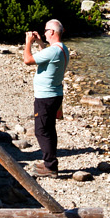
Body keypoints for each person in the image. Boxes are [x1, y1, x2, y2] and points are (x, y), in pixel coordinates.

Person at [19, 19, 68, 177]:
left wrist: (28, 43)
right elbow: (45, 56)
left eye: (46, 30)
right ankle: (50, 162)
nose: (45, 32)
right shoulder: (61, 49)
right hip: (54, 95)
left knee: (41, 131)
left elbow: (28, 60)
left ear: (52, 32)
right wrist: (39, 42)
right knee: (49, 130)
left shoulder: (53, 50)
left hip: (45, 98)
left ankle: (50, 166)